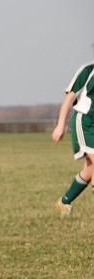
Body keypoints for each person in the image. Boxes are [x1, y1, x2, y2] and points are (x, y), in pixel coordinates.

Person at [52, 60, 94, 216]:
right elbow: (69, 99)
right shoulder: (88, 70)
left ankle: (64, 202)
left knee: (90, 170)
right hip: (85, 123)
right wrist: (60, 125)